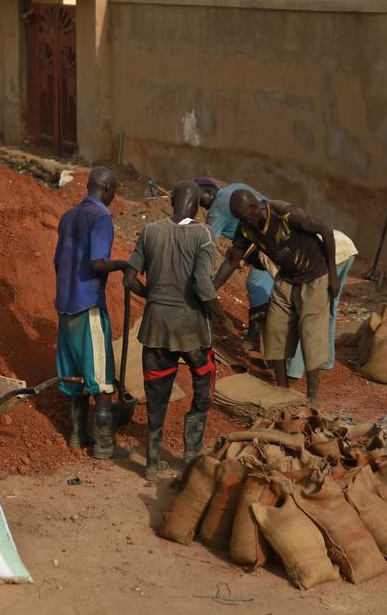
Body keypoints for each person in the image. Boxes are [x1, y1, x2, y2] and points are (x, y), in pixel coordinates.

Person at [124, 181, 224, 480]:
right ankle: (191, 454)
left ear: (172, 203)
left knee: (157, 392)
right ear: (195, 205)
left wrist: (152, 297)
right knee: (203, 386)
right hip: (193, 328)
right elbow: (203, 286)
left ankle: (152, 463)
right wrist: (224, 321)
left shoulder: (151, 231)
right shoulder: (203, 234)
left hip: (156, 326)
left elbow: (129, 279)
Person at [213, 190, 337, 407]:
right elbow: (232, 260)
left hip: (315, 276)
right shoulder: (246, 228)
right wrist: (210, 288)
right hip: (287, 278)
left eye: (244, 217)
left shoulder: (284, 213)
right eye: (240, 219)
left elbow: (325, 229)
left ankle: (313, 394)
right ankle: (282, 390)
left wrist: (333, 274)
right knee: (274, 330)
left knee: (310, 332)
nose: (243, 222)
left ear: (254, 207)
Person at [53, 166, 132, 460]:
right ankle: (102, 445)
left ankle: (76, 435)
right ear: (108, 188)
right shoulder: (101, 216)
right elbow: (98, 263)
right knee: (101, 378)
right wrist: (123, 265)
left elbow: (58, 263)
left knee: (73, 375)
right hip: (88, 306)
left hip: (65, 306)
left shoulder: (68, 216)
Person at [195, 177, 273, 340]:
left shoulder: (217, 209)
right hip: (265, 238)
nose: (199, 205)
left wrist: (204, 283)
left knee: (257, 284)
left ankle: (258, 336)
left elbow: (205, 246)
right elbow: (232, 258)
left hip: (266, 244)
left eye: (199, 199)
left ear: (209, 192)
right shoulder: (236, 187)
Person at [285, 230, 358, 382]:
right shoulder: (285, 244)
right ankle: (326, 360)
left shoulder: (284, 253)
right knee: (330, 305)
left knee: (307, 308)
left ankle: (294, 370)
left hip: (338, 252)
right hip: (345, 247)